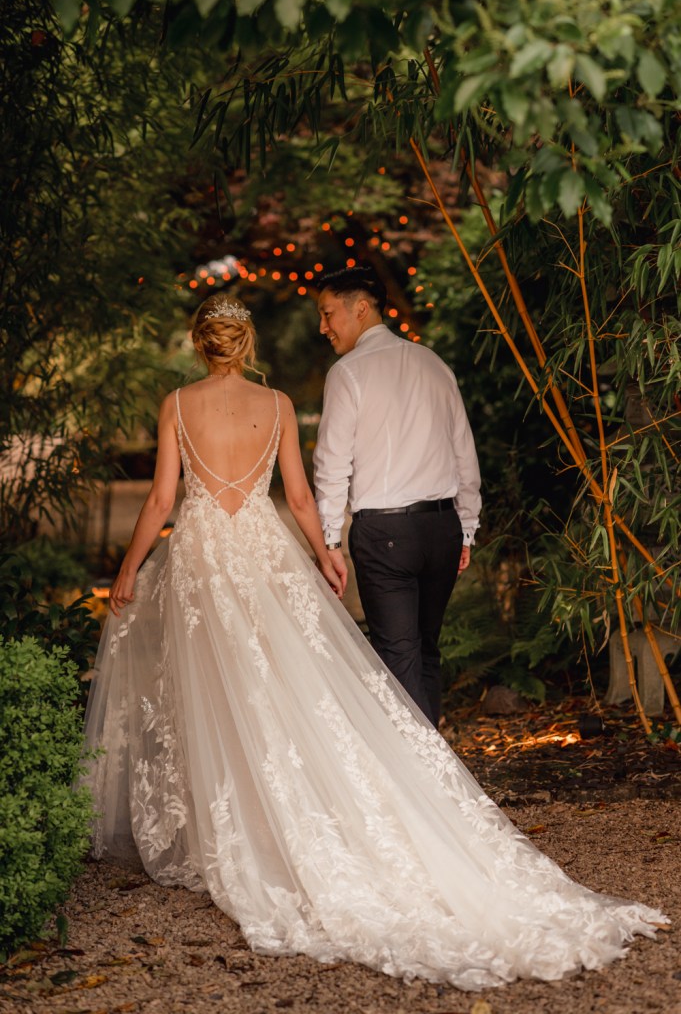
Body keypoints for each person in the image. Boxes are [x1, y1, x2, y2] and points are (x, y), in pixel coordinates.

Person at [84, 293, 665, 992]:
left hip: (206, 558)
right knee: (280, 687)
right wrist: (323, 552)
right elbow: (298, 498)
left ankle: (241, 827)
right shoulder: (273, 407)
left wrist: (127, 569)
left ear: (200, 343)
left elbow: (159, 501)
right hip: (264, 554)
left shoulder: (178, 403)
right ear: (246, 342)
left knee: (220, 687)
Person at [313, 266, 481, 726]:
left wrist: (329, 541)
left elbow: (332, 465)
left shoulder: (348, 373)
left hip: (386, 532)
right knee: (426, 647)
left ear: (360, 309)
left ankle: (428, 783)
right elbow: (464, 453)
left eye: (328, 314)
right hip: (442, 528)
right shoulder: (434, 364)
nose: (323, 327)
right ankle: (438, 769)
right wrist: (465, 528)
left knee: (398, 655)